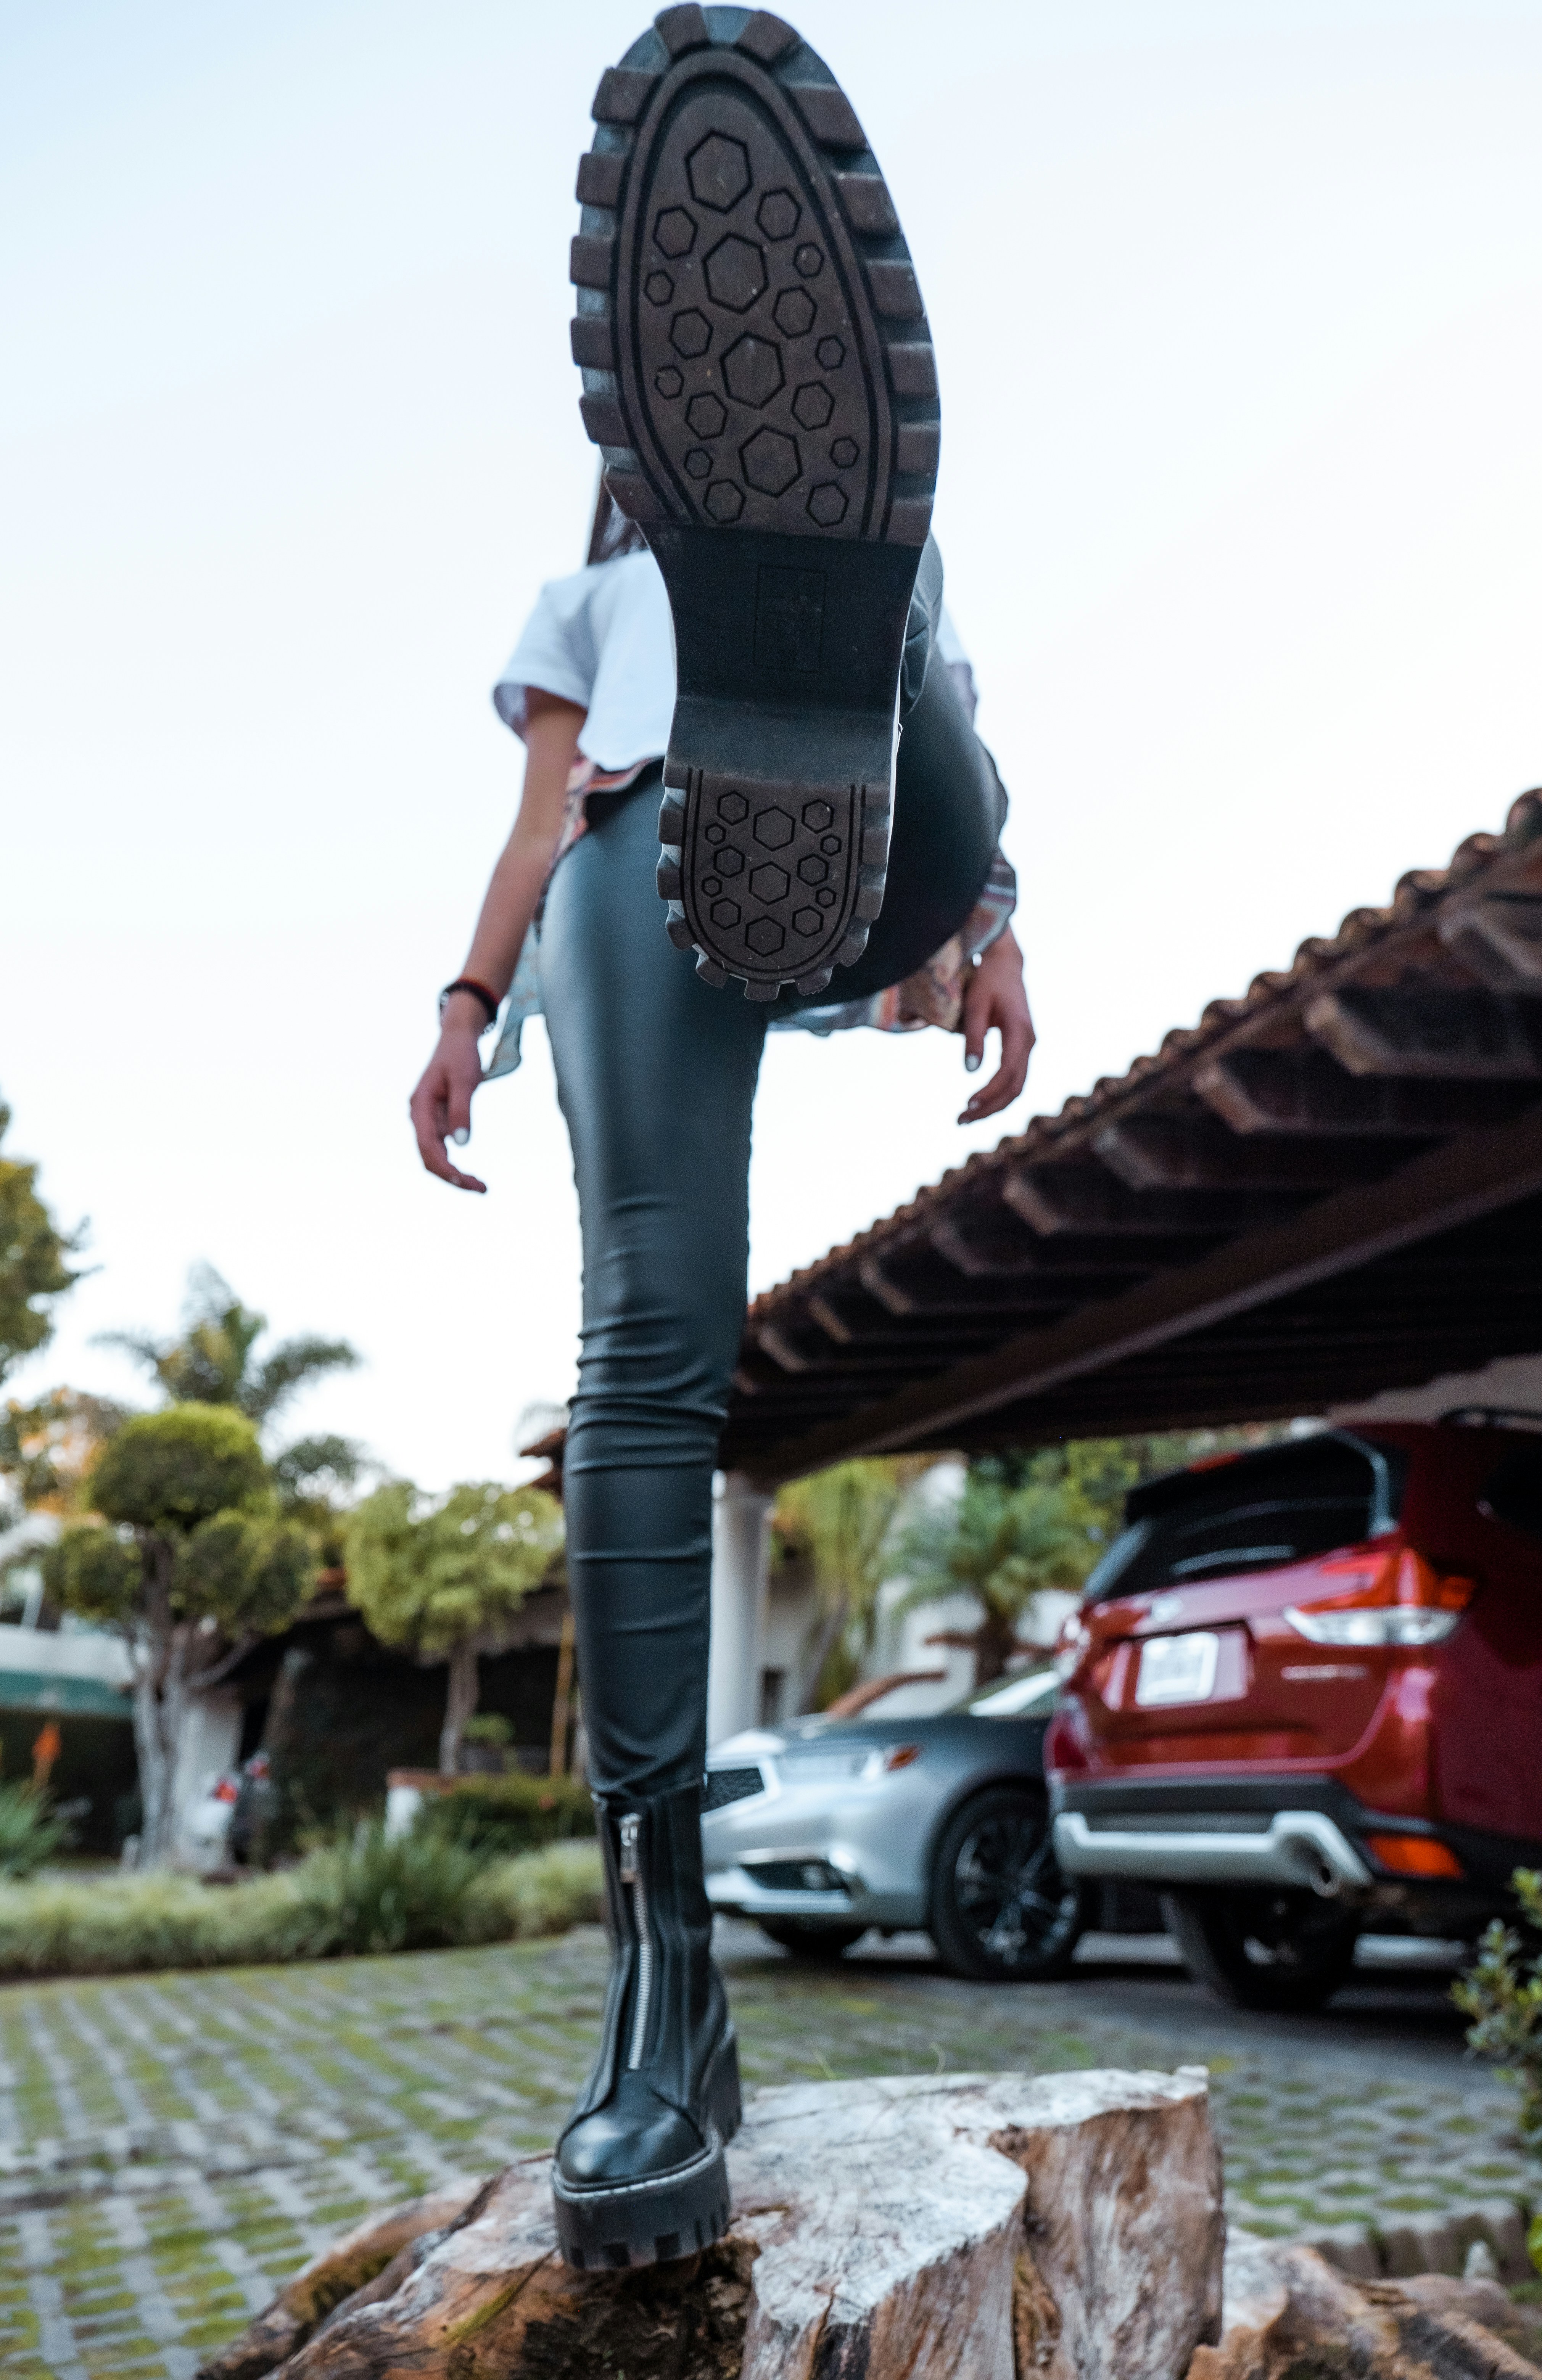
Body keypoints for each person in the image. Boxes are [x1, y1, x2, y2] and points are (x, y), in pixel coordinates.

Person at [408, 9, 1035, 2274]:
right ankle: (667, 1980)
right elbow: (526, 814)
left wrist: (994, 921)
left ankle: (845, 753)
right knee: (643, 1360)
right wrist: (467, 1014)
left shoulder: (900, 545)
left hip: (873, 813)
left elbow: (984, 754)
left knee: (921, 715)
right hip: (624, 889)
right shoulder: (586, 597)